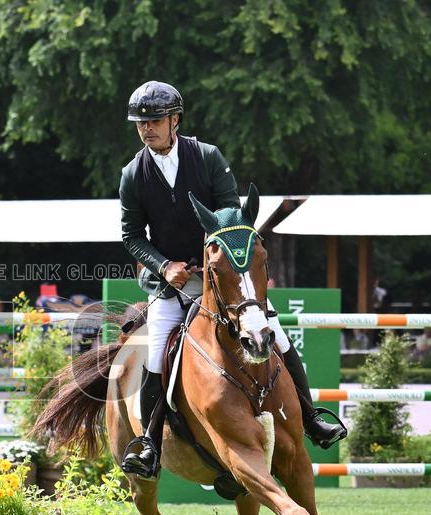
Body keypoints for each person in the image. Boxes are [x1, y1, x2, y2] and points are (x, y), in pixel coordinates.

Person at [118, 81, 346, 478]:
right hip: (172, 283)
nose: (147, 128)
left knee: (277, 334)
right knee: (156, 351)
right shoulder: (133, 174)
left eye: (154, 120)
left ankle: (311, 418)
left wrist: (221, 262)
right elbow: (132, 236)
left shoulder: (207, 157)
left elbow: (230, 214)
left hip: (223, 277)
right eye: (141, 123)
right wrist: (163, 266)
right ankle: (150, 443)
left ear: (175, 120)